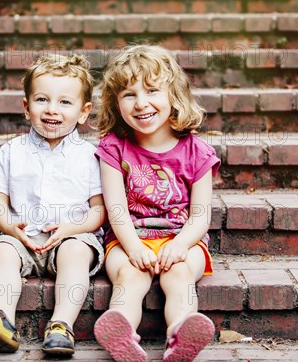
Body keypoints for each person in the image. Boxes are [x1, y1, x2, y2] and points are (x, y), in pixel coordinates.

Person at [0, 54, 106, 356]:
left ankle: (60, 326)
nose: (52, 109)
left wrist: (73, 228)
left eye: (65, 102)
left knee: (76, 252)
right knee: (1, 251)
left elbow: (99, 209)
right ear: (27, 107)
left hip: (71, 235)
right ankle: (3, 321)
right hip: (23, 236)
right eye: (42, 99)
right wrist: (9, 227)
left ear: (83, 112)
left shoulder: (89, 156)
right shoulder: (12, 151)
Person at [93, 45, 220, 362]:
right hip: (128, 237)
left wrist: (180, 245)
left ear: (174, 95)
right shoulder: (113, 148)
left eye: (152, 90)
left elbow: (200, 215)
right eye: (129, 94)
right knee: (128, 277)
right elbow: (116, 209)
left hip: (182, 238)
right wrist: (133, 246)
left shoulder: (197, 152)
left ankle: (181, 335)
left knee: (179, 275)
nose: (141, 103)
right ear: (116, 102)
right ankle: (121, 334)